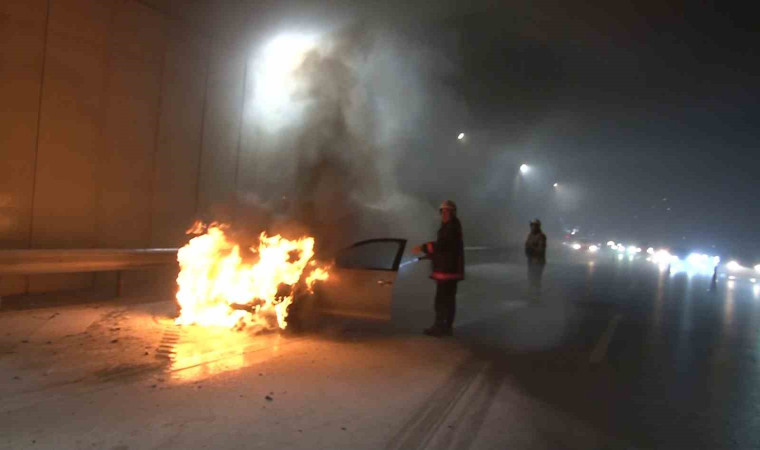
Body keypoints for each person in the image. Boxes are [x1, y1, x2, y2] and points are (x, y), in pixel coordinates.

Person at [412, 200, 465, 337]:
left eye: (447, 211)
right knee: (447, 300)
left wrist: (424, 247)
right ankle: (446, 327)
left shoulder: (451, 228)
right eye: (443, 211)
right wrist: (431, 255)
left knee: (442, 301)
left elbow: (442, 245)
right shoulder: (450, 226)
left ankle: (440, 328)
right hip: (448, 269)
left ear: (453, 213)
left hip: (447, 271)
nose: (444, 214)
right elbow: (446, 248)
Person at [525, 219, 547, 299]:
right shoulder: (530, 235)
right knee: (530, 277)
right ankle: (531, 294)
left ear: (537, 226)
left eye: (534, 225)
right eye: (531, 225)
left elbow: (541, 249)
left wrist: (532, 248)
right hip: (530, 260)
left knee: (536, 278)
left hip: (538, 261)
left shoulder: (541, 236)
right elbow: (527, 245)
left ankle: (537, 296)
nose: (532, 227)